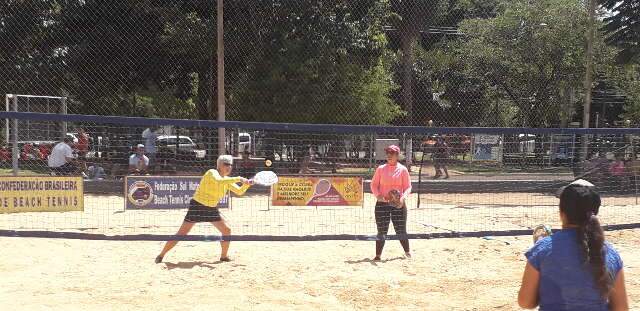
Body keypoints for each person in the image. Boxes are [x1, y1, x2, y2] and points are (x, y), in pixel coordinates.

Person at [518, 183, 629, 310]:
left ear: (561, 212)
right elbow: (621, 308)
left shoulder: (542, 250)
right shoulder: (610, 254)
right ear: (595, 213)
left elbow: (525, 302)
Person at [155, 155, 252, 263]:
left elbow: (239, 192)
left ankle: (223, 256)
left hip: (211, 208)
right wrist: (239, 178)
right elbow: (219, 181)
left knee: (226, 230)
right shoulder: (212, 173)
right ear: (219, 165)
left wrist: (248, 184)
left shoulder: (227, 180)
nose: (229, 167)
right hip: (197, 206)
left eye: (230, 165)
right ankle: (161, 255)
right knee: (181, 234)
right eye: (226, 164)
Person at [370, 144, 412, 260]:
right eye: (388, 153)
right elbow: (373, 185)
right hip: (382, 203)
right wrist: (378, 195)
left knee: (400, 229)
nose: (389, 155)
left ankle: (407, 252)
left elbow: (408, 187)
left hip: (398, 204)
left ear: (397, 155)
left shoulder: (403, 169)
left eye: (392, 153)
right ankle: (378, 256)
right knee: (382, 229)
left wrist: (402, 198)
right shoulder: (381, 169)